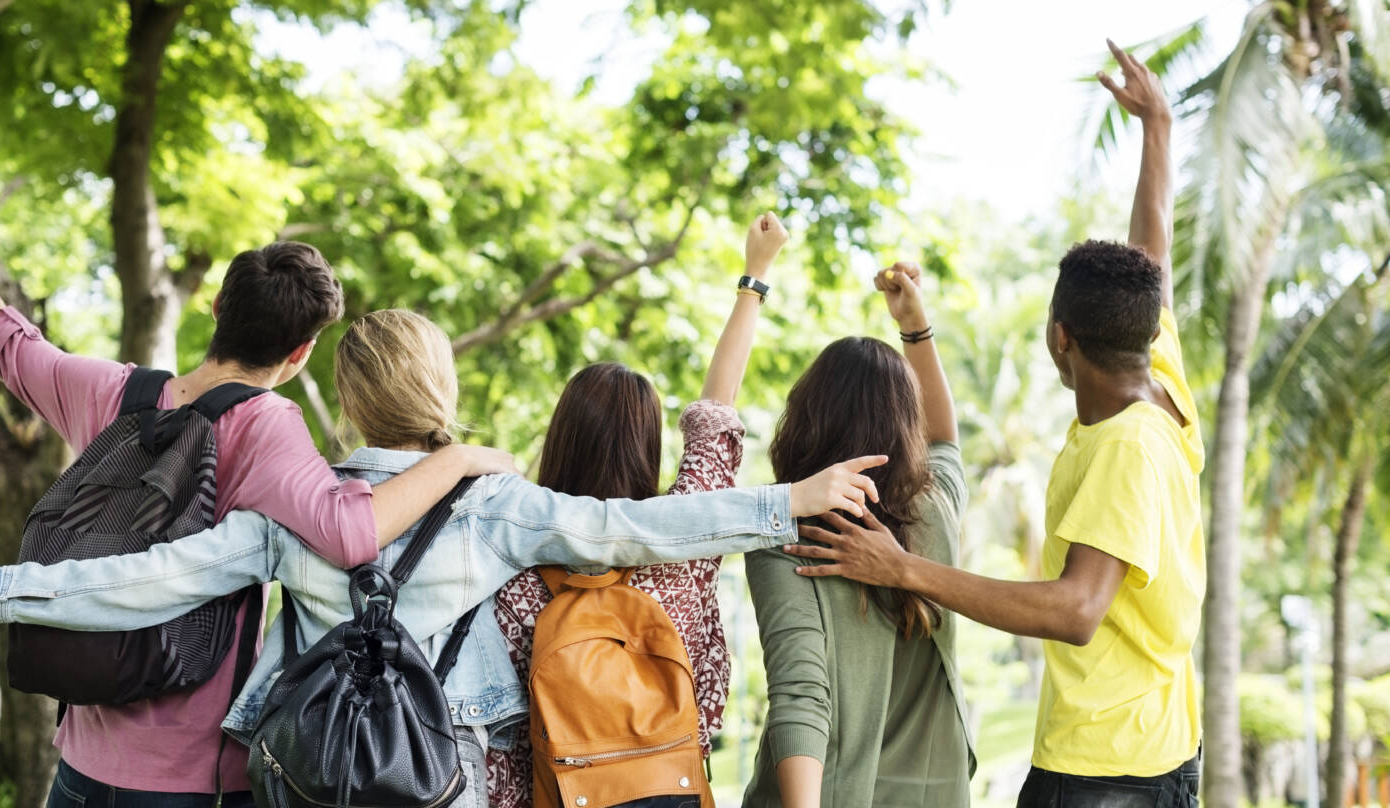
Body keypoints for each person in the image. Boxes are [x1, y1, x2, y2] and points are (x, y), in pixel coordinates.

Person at [0, 308, 888, 808]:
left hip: (308, 770)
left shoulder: (296, 507)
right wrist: (785, 502)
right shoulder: (495, 504)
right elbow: (640, 529)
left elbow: (146, 580)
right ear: (441, 385)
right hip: (440, 772)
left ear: (349, 394)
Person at [0, 138, 516, 806]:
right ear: (301, 353)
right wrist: (458, 458)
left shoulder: (112, 394)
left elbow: (6, 345)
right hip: (190, 779)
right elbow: (350, 532)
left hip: (78, 766)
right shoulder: (267, 426)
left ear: (216, 308)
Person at [783, 40, 1204, 807]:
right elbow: (1152, 252)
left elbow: (1077, 610)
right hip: (1158, 744)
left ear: (1059, 338)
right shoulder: (1156, 374)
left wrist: (904, 568)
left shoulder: (1125, 449)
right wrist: (1158, 129)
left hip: (1105, 771)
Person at [487, 212, 789, 807]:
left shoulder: (509, 556)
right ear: (646, 445)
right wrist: (754, 277)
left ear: (561, 438)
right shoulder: (686, 540)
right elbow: (716, 411)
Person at [741, 259, 973, 807]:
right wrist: (916, 327)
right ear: (903, 424)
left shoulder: (787, 536)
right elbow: (945, 438)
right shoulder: (934, 510)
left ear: (806, 418)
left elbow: (801, 697)